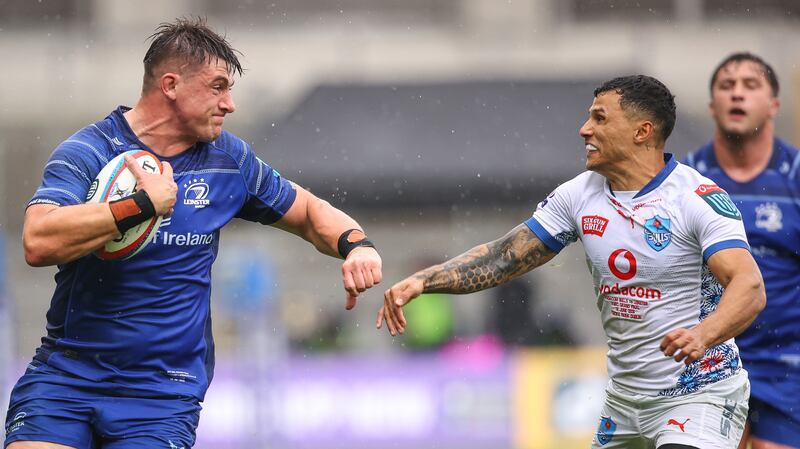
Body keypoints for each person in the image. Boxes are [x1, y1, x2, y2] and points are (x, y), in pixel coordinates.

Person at [5, 17, 382, 449]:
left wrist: (357, 245)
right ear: (171, 85)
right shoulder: (89, 151)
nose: (229, 104)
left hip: (162, 394)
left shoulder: (228, 161)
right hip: (66, 378)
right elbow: (39, 241)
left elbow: (309, 213)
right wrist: (140, 206)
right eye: (218, 87)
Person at [378, 75, 766, 449]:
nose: (584, 129)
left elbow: (748, 286)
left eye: (600, 118)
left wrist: (703, 335)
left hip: (699, 392)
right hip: (626, 401)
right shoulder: (578, 196)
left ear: (642, 131)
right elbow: (504, 257)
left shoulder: (696, 198)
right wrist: (424, 280)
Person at [684, 52, 800, 449]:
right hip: (709, 357)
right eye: (726, 85)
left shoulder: (795, 177)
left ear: (773, 105)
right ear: (712, 105)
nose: (737, 93)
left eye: (750, 85)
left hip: (786, 364)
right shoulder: (686, 180)